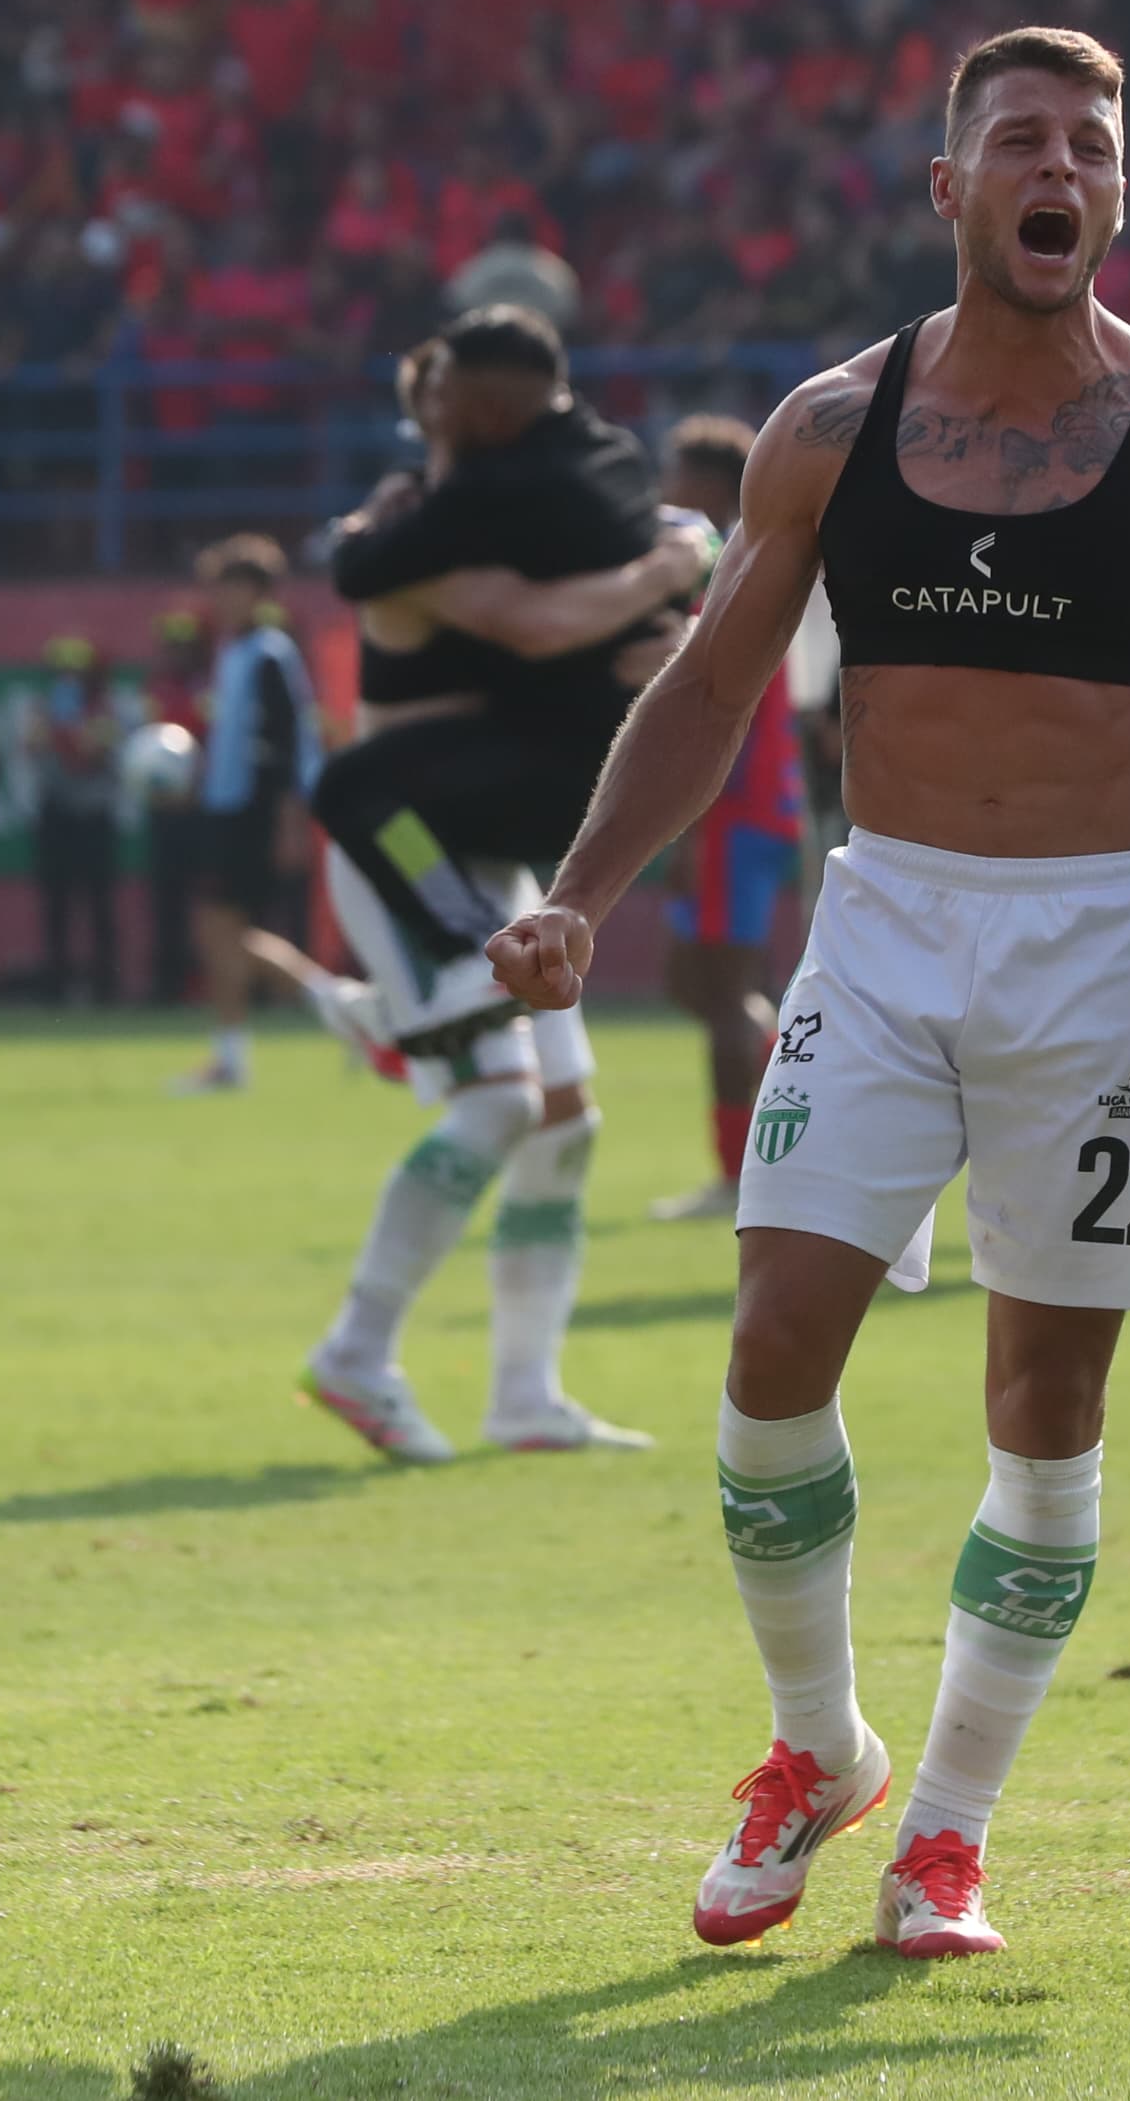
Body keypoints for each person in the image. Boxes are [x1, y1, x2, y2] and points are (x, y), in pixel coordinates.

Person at [487, 26, 1130, 1959]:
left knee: (1046, 1408)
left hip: (1097, 948)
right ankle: (820, 1750)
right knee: (766, 1356)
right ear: (952, 188)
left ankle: (952, 1839)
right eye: (1018, 140)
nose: (1056, 166)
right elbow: (716, 682)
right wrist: (579, 892)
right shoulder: (834, 424)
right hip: (887, 928)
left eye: (1091, 143)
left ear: (1119, 195)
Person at [284, 319, 714, 1461]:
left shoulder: (517, 514)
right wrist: (668, 573)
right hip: (411, 848)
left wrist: (648, 645)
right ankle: (356, 1351)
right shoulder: (413, 537)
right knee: (502, 1100)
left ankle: (524, 1392)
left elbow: (573, 644)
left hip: (491, 841)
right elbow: (538, 627)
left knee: (564, 1119)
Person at [652, 414, 806, 1228]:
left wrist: (687, 820)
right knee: (698, 982)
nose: (664, 490)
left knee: (720, 991)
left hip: (732, 810)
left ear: (708, 484)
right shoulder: (756, 561)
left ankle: (738, 1169)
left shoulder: (727, 566)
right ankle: (799, 1063)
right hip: (752, 808)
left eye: (674, 474)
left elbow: (719, 707)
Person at [171, 539, 316, 1093]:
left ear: (259, 593)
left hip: (252, 812)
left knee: (220, 931)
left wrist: (287, 821)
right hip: (225, 808)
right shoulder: (231, 653)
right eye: (218, 589)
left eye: (233, 588)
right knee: (224, 934)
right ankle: (342, 1010)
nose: (222, 600)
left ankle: (237, 1058)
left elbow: (284, 747)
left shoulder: (270, 655)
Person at [26, 634, 125, 1006]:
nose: (70, 678)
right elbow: (32, 752)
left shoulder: (106, 710)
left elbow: (94, 758)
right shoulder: (42, 707)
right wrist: (48, 726)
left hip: (94, 815)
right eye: (64, 671)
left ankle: (106, 985)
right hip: (56, 814)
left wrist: (73, 730)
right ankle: (56, 984)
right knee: (56, 905)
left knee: (99, 904)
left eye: (78, 671)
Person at [142, 609, 213, 1009]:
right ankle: (165, 985)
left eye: (185, 645)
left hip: (201, 811)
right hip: (164, 812)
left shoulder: (211, 685)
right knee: (165, 902)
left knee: (209, 904)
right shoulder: (157, 688)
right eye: (173, 645)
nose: (178, 653)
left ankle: (206, 980)